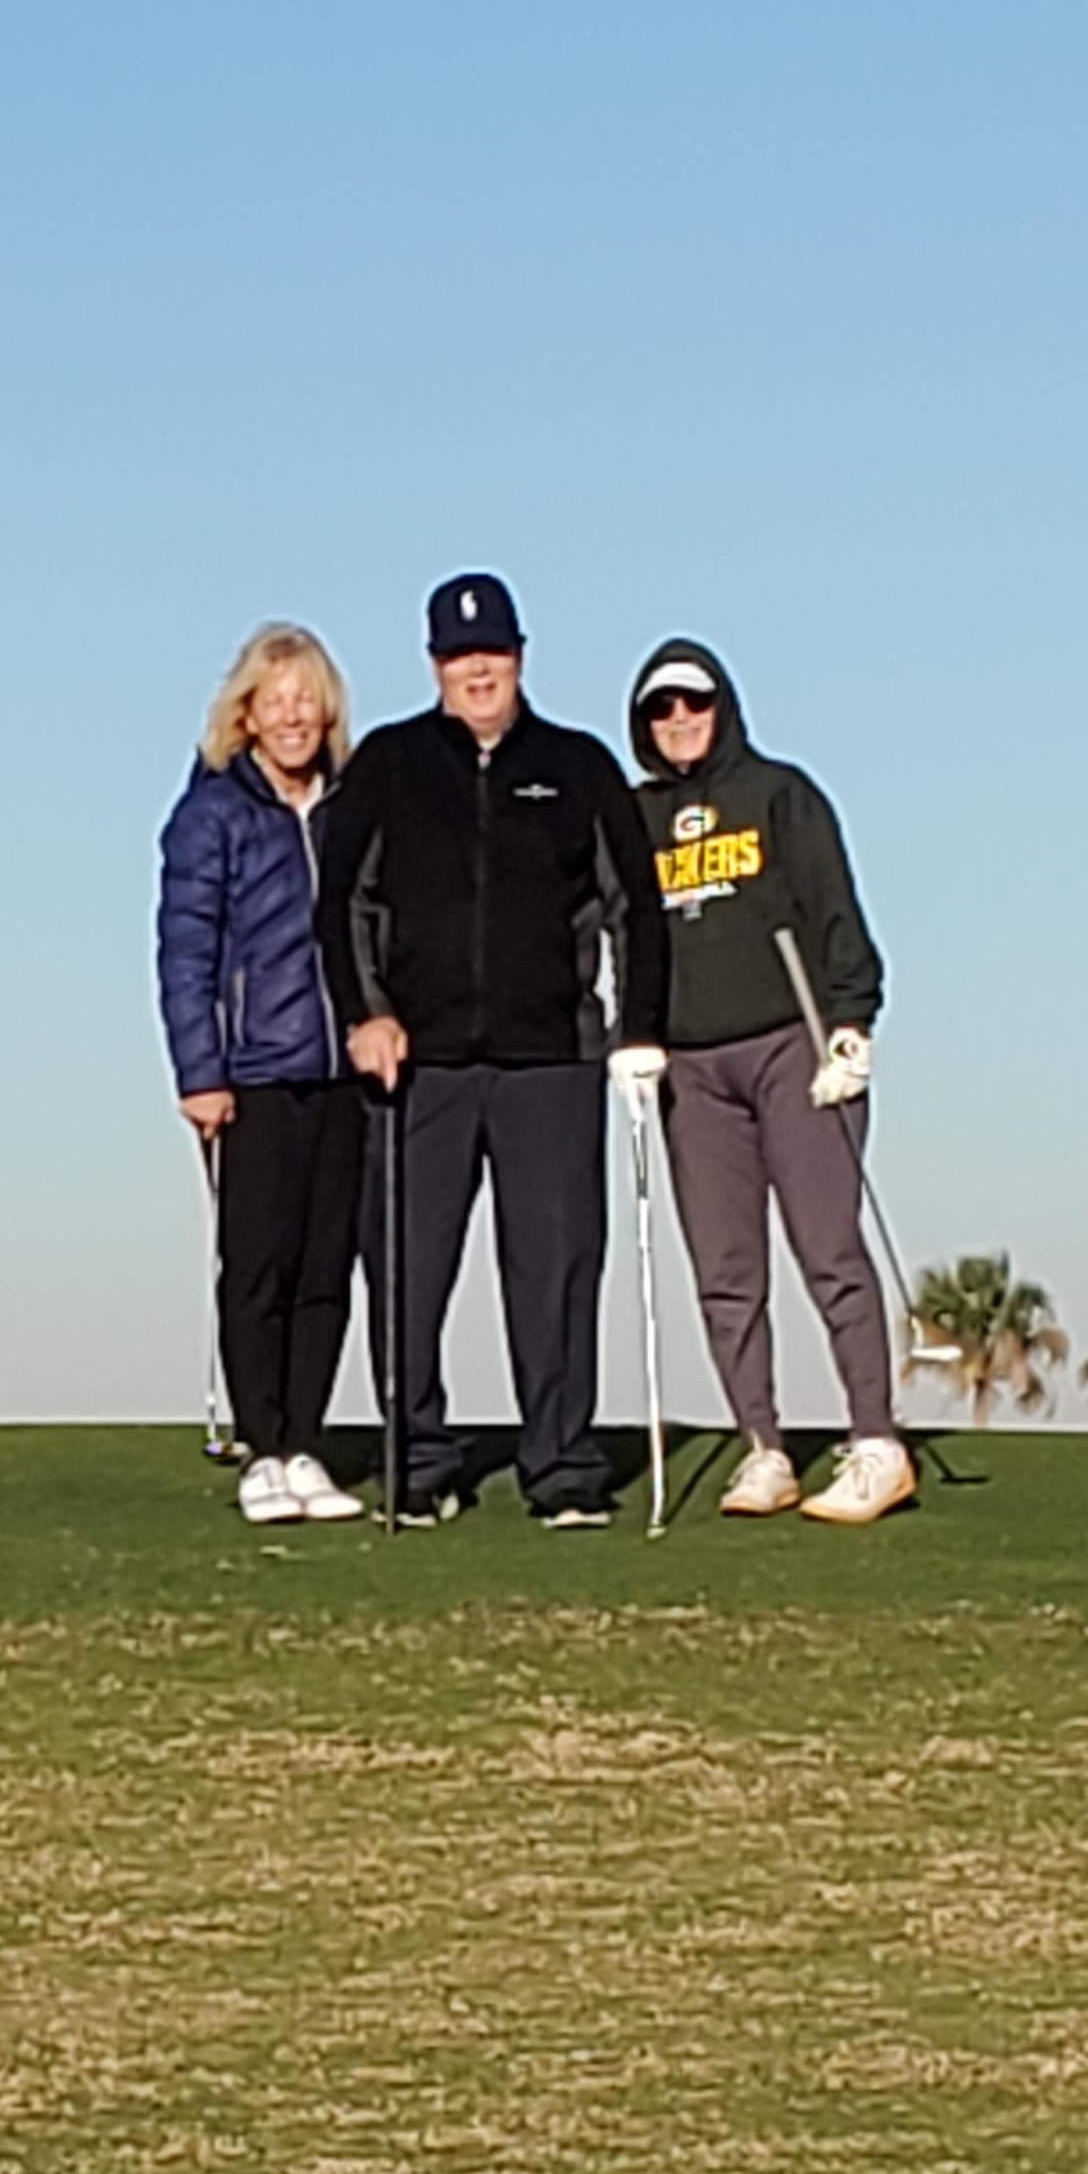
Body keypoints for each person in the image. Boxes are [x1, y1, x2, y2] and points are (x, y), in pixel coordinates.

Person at [314, 573, 669, 1526]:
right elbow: (342, 901)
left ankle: (562, 1467)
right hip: (417, 1063)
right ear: (435, 663)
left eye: (495, 654)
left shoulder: (577, 766)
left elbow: (634, 907)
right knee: (407, 1271)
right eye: (460, 656)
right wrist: (366, 1012)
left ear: (521, 656)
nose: (479, 672)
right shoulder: (389, 764)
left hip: (551, 1062)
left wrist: (637, 1029)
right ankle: (420, 1462)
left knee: (556, 1272)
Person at [626, 636, 914, 1524]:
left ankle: (877, 1444)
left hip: (795, 1044)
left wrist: (853, 1021)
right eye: (661, 709)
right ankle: (764, 1448)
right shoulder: (634, 817)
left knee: (828, 1248)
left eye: (694, 703)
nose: (680, 720)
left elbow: (835, 909)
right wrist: (627, 1036)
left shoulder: (780, 794)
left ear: (723, 706)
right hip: (692, 1068)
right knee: (725, 1269)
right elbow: (614, 931)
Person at [154, 624, 368, 1524]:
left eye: (305, 700)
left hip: (342, 1073)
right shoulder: (213, 814)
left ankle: (307, 1445)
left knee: (326, 1268)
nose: (292, 717)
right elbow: (186, 956)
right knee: (258, 1267)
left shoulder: (349, 804)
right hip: (252, 1074)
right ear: (246, 714)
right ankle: (262, 1448)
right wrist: (200, 1073)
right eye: (274, 702)